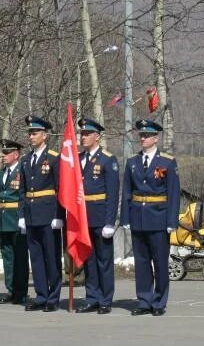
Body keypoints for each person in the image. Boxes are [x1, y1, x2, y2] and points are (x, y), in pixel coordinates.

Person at [122, 119, 180, 316]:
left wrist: (172, 221)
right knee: (142, 262)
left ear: (156, 138)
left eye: (147, 135)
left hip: (159, 218)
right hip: (138, 217)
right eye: (141, 135)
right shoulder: (132, 162)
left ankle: (159, 301)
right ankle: (144, 300)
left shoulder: (167, 162)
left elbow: (173, 193)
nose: (143, 138)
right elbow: (127, 192)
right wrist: (125, 218)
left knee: (160, 262)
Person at [75, 118, 119, 315]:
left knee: (104, 260)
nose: (83, 137)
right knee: (89, 261)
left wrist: (110, 222)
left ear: (97, 136)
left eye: (87, 134)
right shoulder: (78, 159)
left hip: (100, 217)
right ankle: (91, 297)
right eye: (82, 134)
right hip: (83, 218)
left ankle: (105, 299)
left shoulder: (107, 159)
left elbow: (113, 193)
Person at [20, 115, 64, 312]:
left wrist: (59, 216)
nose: (31, 136)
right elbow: (22, 190)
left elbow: (60, 189)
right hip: (31, 214)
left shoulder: (54, 158)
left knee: (51, 257)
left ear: (44, 135)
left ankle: (53, 297)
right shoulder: (26, 159)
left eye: (35, 133)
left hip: (48, 215)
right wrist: (22, 215)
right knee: (36, 257)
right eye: (29, 133)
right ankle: (41, 295)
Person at [0, 140, 28, 305]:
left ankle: (21, 291)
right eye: (3, 153)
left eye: (7, 153)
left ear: (16, 155)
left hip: (17, 219)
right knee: (7, 257)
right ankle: (10, 289)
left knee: (20, 257)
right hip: (3, 219)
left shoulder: (23, 172)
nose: (3, 156)